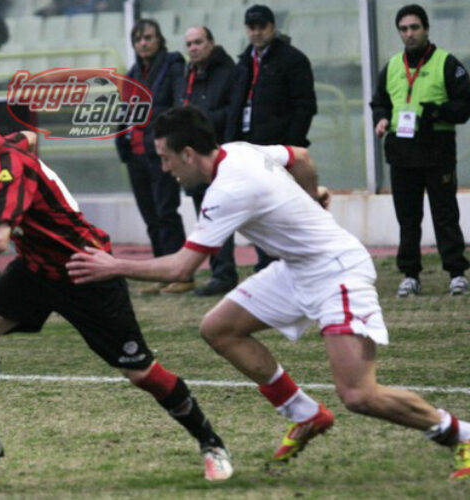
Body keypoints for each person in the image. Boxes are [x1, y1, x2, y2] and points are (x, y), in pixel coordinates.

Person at [67, 106, 470, 480]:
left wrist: (113, 265)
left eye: (165, 157)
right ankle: (305, 413)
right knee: (219, 327)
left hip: (336, 272)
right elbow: (300, 157)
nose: (164, 167)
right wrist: (312, 197)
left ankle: (460, 433)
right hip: (297, 269)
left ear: (188, 154)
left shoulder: (227, 190)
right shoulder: (238, 150)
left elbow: (181, 268)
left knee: (359, 394)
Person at [0, 92, 233, 483]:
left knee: (141, 372)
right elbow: (27, 138)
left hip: (86, 270)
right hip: (36, 268)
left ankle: (211, 443)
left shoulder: (6, 168)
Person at [370, 4, 470, 297]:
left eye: (414, 27)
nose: (409, 34)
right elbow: (379, 102)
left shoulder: (447, 63)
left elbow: (465, 105)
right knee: (407, 217)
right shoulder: (391, 66)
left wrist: (438, 112)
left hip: (436, 150)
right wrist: (381, 119)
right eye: (403, 29)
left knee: (444, 213)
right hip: (401, 151)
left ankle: (456, 273)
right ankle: (410, 275)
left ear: (426, 29)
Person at [228, 4, 317, 274]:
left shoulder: (292, 59)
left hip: (278, 149)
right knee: (258, 208)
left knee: (283, 208)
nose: (256, 32)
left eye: (261, 27)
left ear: (272, 27)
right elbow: (236, 106)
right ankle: (267, 262)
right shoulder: (244, 61)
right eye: (251, 27)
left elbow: (305, 106)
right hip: (249, 148)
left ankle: (289, 262)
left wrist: (289, 146)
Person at [115, 19, 191, 294]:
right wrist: (120, 146)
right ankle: (162, 272)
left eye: (148, 37)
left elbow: (177, 106)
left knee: (165, 212)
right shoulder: (133, 73)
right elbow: (122, 114)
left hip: (161, 154)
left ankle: (182, 274)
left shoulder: (172, 65)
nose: (143, 43)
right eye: (138, 39)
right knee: (151, 217)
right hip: (135, 156)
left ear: (159, 39)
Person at [178, 25, 241, 296]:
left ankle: (225, 273)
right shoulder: (188, 74)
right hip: (194, 156)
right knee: (206, 216)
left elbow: (232, 113)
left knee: (220, 214)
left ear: (211, 43)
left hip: (220, 154)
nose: (193, 48)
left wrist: (202, 121)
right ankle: (219, 271)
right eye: (189, 43)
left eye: (198, 42)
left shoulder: (228, 72)